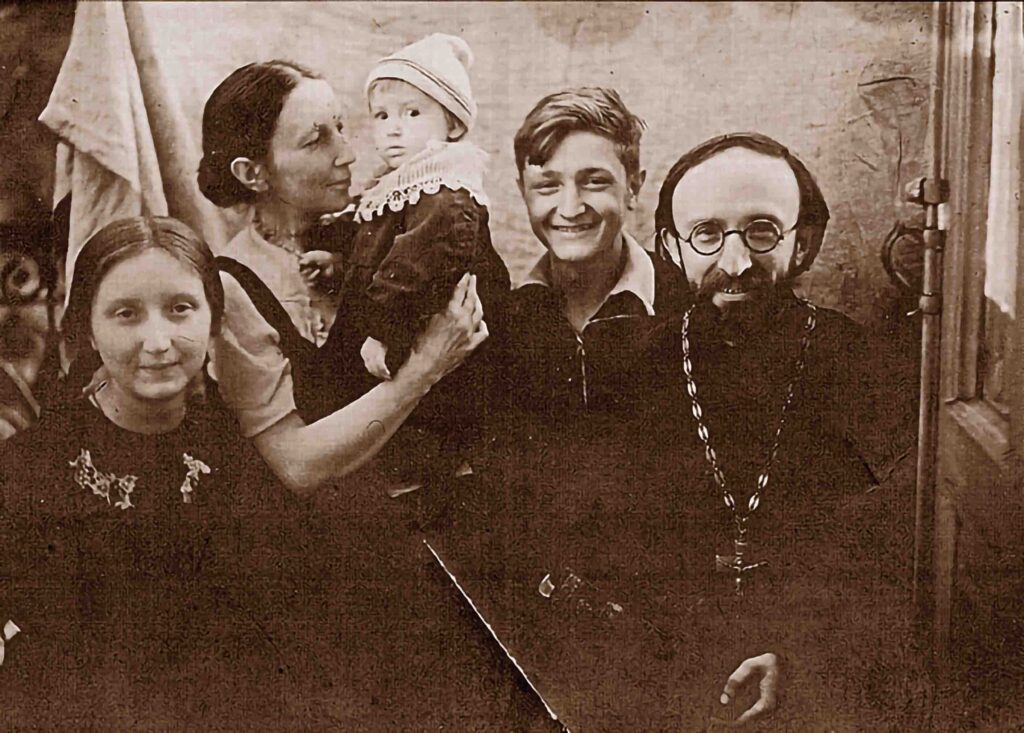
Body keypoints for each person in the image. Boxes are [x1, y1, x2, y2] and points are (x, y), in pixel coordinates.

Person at [0, 217, 293, 727]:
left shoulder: (236, 454)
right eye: (126, 314)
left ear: (213, 321)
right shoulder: (31, 469)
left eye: (180, 309)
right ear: (88, 330)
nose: (158, 341)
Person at [195, 59, 488, 495]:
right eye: (316, 140)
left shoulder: (378, 227)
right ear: (252, 173)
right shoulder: (232, 287)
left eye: (340, 128)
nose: (347, 154)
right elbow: (295, 465)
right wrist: (424, 367)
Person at [318, 33, 510, 488]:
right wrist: (337, 263)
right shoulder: (402, 184)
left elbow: (415, 267)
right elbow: (375, 244)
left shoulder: (445, 191)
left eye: (412, 113)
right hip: (400, 328)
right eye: (382, 115)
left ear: (454, 125)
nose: (393, 129)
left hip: (421, 332)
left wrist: (384, 331)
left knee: (424, 430)